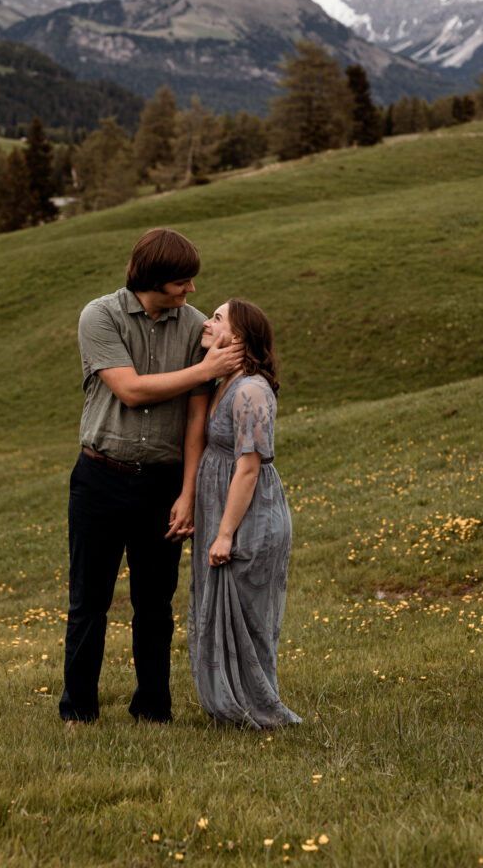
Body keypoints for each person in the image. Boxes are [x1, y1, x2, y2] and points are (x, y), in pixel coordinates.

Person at [59, 228, 243, 724]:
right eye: (183, 282)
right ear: (155, 280)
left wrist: (187, 493)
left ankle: (153, 711)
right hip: (99, 476)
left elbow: (195, 421)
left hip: (162, 484)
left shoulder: (198, 327)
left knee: (155, 606)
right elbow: (132, 391)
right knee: (88, 602)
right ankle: (77, 712)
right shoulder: (100, 316)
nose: (191, 291)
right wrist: (205, 371)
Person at [188, 298, 301, 729]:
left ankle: (257, 709)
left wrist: (224, 534)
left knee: (249, 620)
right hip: (226, 511)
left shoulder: (250, 389)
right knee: (220, 610)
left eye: (216, 318)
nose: (206, 321)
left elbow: (249, 468)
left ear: (237, 338)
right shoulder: (224, 382)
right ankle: (229, 706)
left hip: (250, 519)